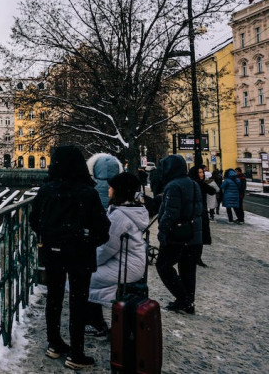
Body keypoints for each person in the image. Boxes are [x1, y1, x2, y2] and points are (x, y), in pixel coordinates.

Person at [31, 145, 111, 370]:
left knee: (53, 298)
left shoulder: (46, 190)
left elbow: (34, 220)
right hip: (79, 254)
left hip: (53, 252)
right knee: (78, 302)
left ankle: (54, 344)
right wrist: (87, 240)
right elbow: (102, 228)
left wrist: (49, 236)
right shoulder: (87, 192)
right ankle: (76, 353)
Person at [85, 172, 149, 336]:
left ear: (118, 191)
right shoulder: (129, 209)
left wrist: (90, 261)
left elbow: (107, 248)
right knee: (88, 274)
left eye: (111, 187)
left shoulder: (119, 215)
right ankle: (97, 320)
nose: (108, 190)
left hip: (128, 265)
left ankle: (96, 323)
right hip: (130, 261)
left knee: (85, 276)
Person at [156, 155, 203, 314]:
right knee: (188, 269)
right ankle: (188, 302)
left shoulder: (173, 186)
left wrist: (163, 233)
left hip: (178, 234)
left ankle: (184, 299)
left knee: (163, 265)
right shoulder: (193, 184)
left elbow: (170, 214)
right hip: (193, 234)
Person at [188, 166, 215, 267]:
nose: (202, 174)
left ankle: (194, 257)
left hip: (197, 212)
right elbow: (213, 190)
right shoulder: (199, 184)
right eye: (200, 172)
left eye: (202, 172)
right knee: (199, 236)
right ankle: (197, 258)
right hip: (199, 212)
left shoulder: (191, 183)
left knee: (196, 236)